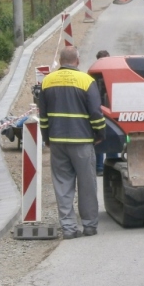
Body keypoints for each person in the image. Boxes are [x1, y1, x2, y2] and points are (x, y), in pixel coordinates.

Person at [38, 46, 105, 239]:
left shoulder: (47, 81)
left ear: (60, 61)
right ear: (77, 60)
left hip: (57, 142)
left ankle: (68, 228)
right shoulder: (86, 81)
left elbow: (43, 116)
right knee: (87, 184)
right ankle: (89, 226)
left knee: (62, 185)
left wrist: (46, 138)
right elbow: (96, 113)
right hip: (82, 141)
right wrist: (100, 133)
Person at [94, 50, 110, 176]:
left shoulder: (94, 75)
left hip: (109, 112)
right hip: (99, 111)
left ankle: (108, 167)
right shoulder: (94, 76)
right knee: (100, 139)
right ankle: (100, 167)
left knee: (111, 139)